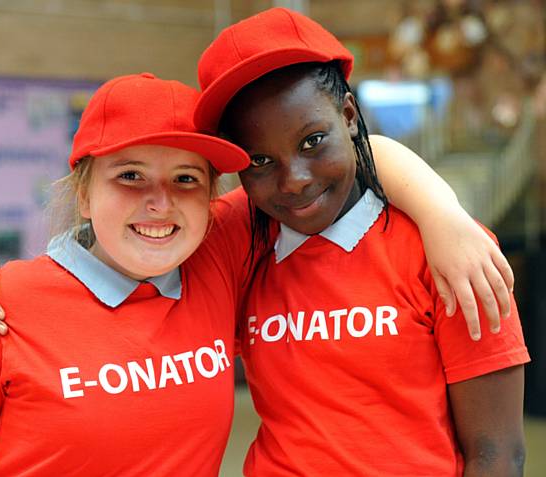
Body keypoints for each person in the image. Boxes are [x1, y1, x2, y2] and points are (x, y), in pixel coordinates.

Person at [191, 8, 529, 476]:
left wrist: (440, 212)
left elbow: (496, 453)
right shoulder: (235, 240)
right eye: (261, 160)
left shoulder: (450, 250)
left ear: (349, 115)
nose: (294, 181)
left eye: (312, 142)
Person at [0, 73, 254, 476]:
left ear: (209, 198)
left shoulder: (217, 264)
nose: (161, 203)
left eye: (185, 178)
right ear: (85, 195)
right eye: (130, 175)